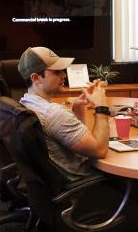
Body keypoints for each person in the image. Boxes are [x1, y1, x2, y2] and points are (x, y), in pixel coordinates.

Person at [18, 46, 111, 181]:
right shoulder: (54, 114)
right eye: (56, 72)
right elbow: (100, 150)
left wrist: (78, 107)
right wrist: (101, 107)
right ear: (36, 78)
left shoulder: (25, 102)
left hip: (53, 185)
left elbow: (71, 137)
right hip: (86, 184)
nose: (64, 75)